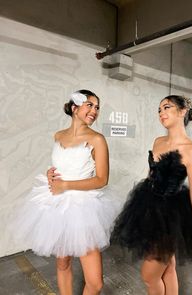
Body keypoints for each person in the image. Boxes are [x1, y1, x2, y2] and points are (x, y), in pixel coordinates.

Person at [111, 95, 192, 295]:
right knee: (168, 268)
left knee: (149, 275)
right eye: (159, 110)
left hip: (172, 216)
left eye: (167, 107)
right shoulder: (158, 142)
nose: (161, 113)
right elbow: (152, 175)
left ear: (182, 112)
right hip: (148, 205)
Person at [12, 90, 120, 295]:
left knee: (95, 283)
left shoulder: (97, 139)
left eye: (97, 107)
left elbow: (101, 180)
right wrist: (51, 174)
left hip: (83, 207)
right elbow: (60, 165)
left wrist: (66, 185)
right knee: (62, 264)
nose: (94, 111)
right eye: (90, 105)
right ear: (74, 108)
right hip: (57, 206)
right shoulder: (58, 135)